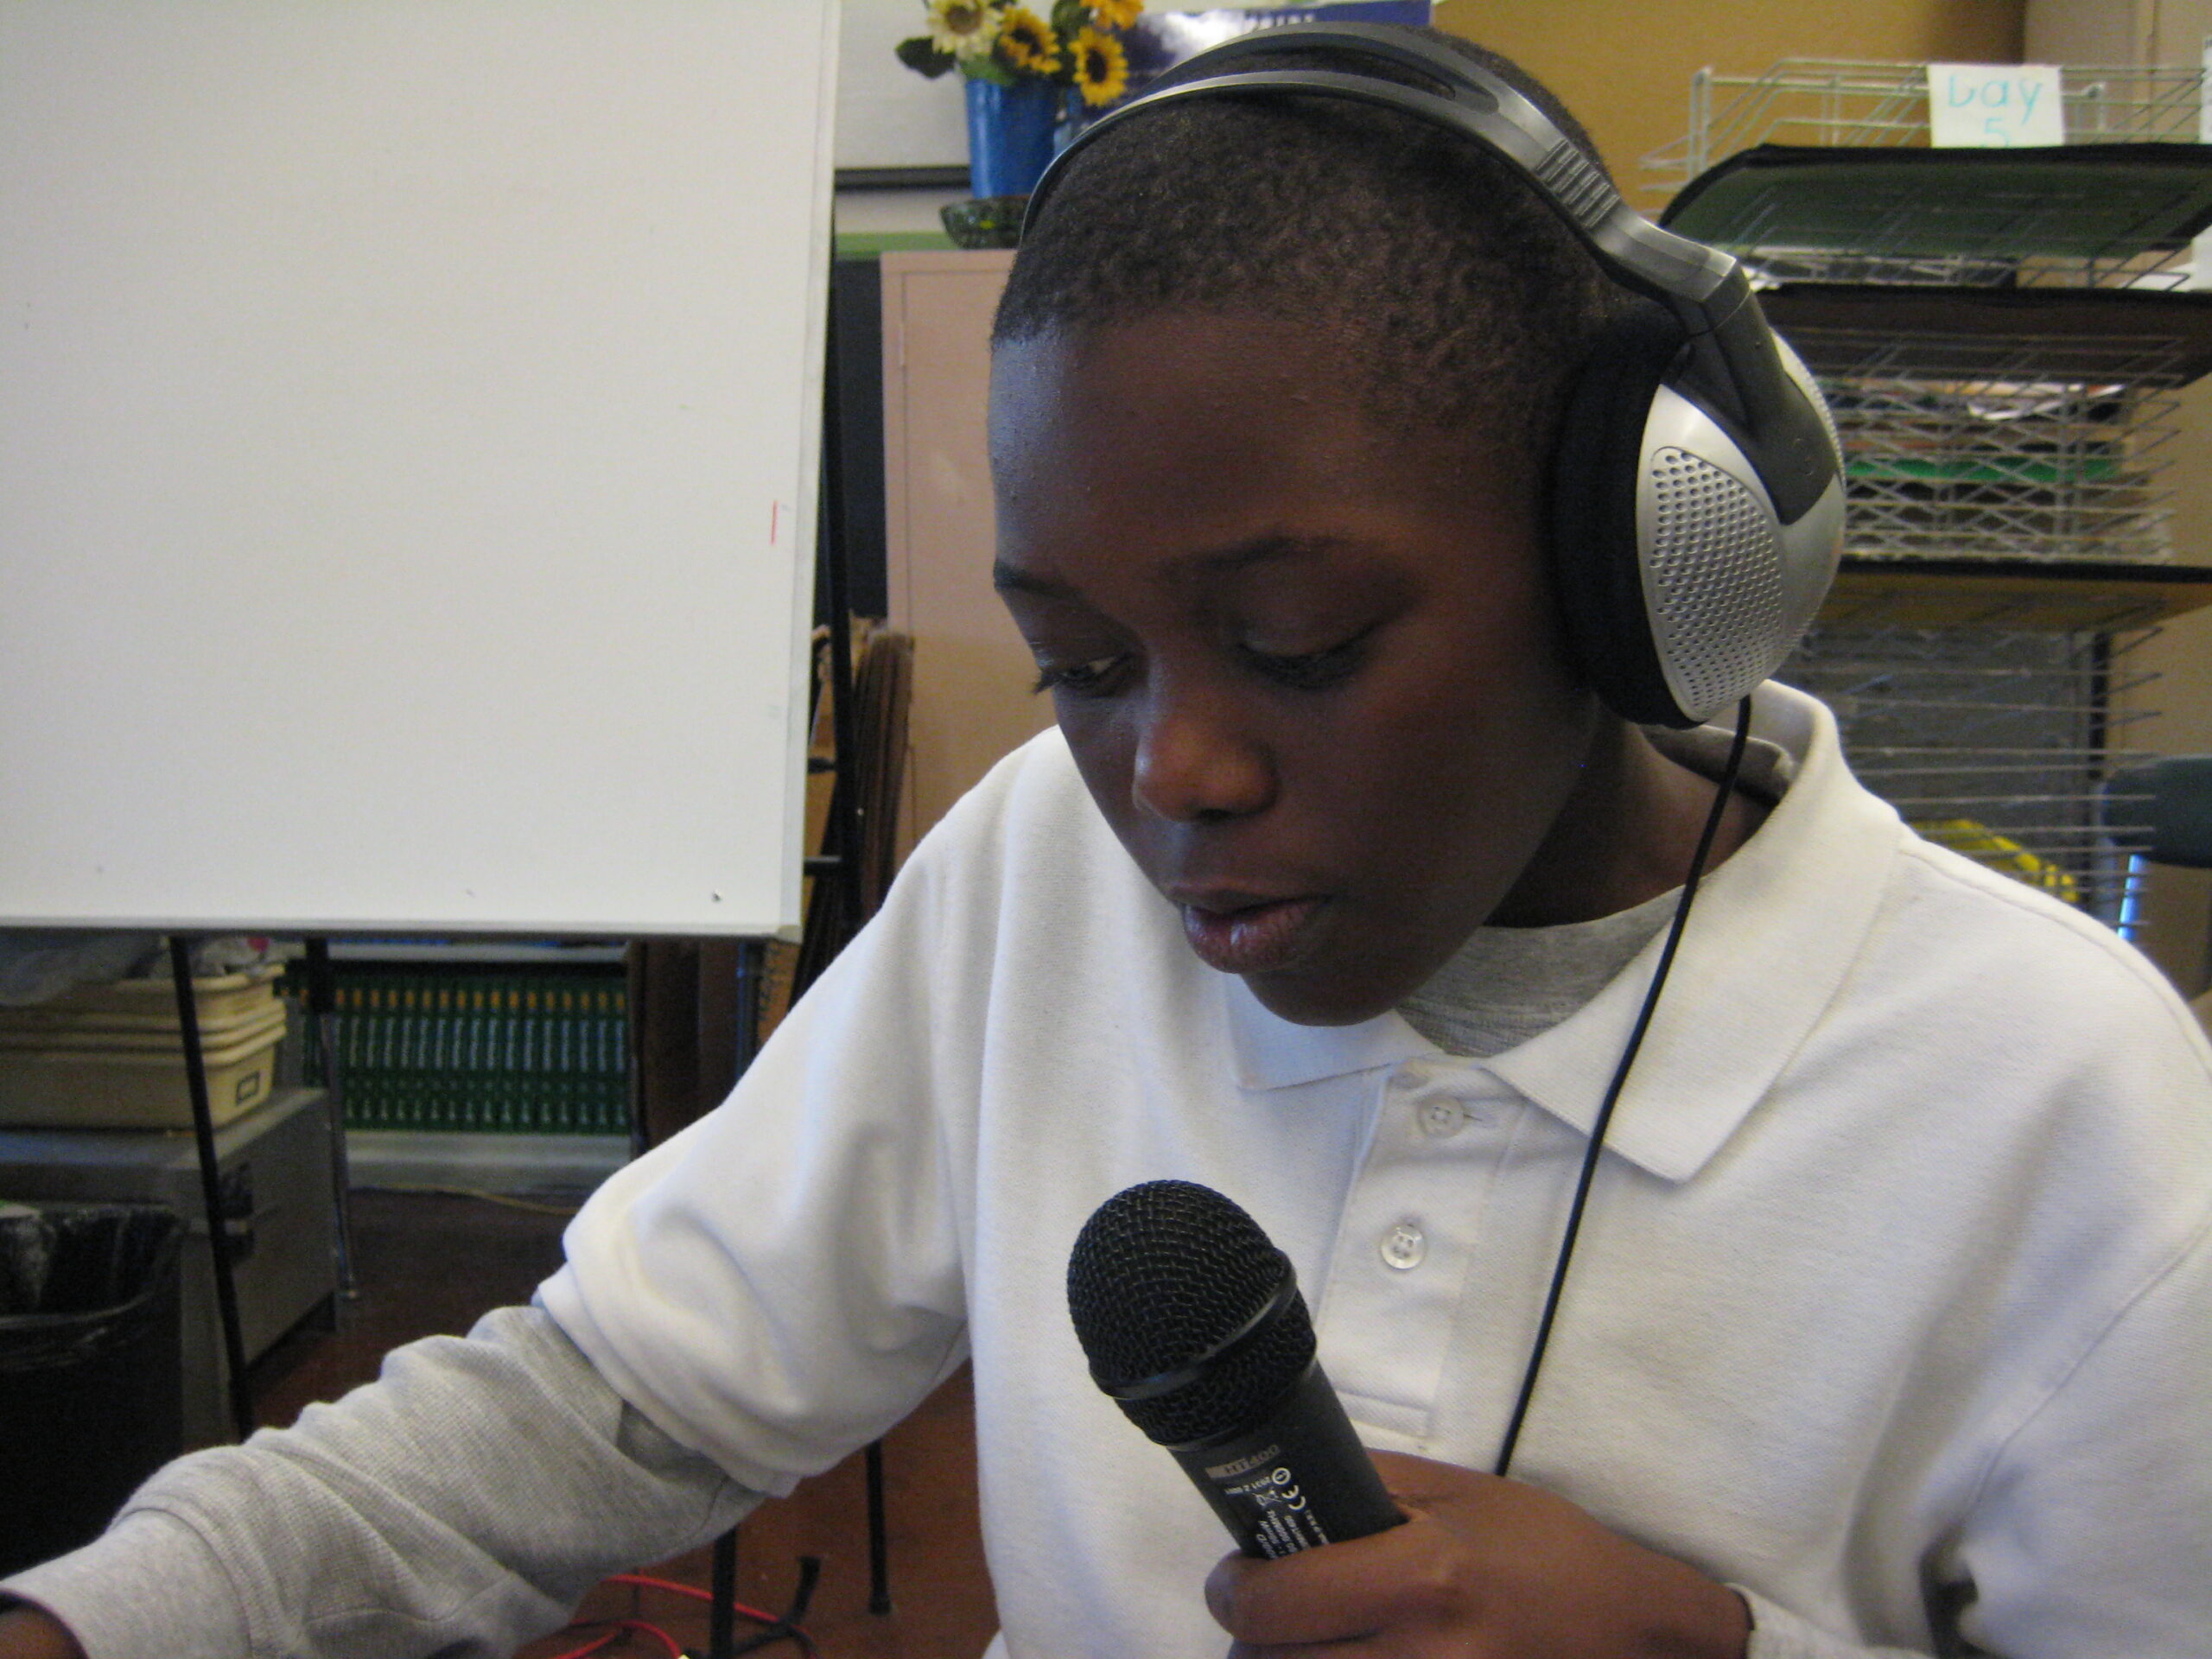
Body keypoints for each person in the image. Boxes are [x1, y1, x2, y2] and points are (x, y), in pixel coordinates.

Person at [5, 24, 2210, 1659]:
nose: (1170, 774)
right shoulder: (1038, 880)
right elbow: (612, 1400)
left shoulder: (2057, 1107)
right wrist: (98, 1619)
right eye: (1078, 664)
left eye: (1299, 644)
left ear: (1637, 571)